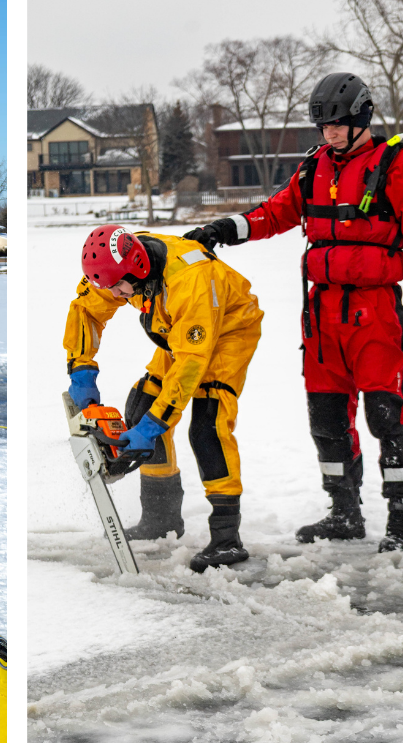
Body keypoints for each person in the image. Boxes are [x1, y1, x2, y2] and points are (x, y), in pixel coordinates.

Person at [184, 71, 403, 553]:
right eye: (322, 126)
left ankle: (401, 520)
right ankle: (344, 512)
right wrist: (225, 228)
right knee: (325, 418)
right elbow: (275, 213)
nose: (329, 134)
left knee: (387, 417)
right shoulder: (313, 168)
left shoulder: (401, 167)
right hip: (322, 314)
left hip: (376, 315)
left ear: (361, 119)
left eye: (337, 125)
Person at [65, 225, 264, 572]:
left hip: (227, 331)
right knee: (141, 405)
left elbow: (191, 365)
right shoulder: (123, 266)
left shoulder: (191, 281)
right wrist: (81, 366)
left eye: (117, 287)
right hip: (181, 333)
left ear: (138, 271)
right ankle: (161, 518)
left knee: (207, 426)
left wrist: (154, 425)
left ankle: (226, 538)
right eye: (107, 286)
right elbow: (86, 310)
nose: (113, 293)